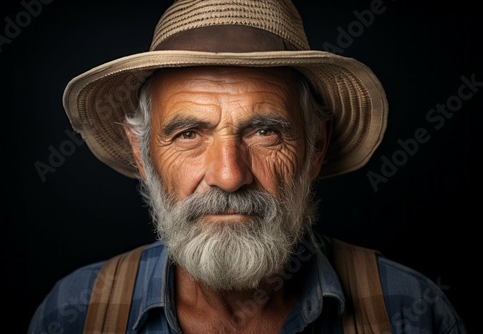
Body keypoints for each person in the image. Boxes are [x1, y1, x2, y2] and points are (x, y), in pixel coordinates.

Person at [28, 0, 468, 333]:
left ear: (315, 147)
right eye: (189, 134)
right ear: (143, 154)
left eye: (264, 132)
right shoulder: (75, 312)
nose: (229, 175)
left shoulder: (410, 312)